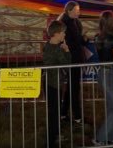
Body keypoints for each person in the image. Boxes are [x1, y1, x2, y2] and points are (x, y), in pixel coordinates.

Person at [93, 10, 113, 145]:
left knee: (112, 107)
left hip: (102, 72)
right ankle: (100, 138)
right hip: (111, 73)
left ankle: (112, 137)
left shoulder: (98, 37)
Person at [43, 20, 71, 148]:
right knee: (55, 112)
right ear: (56, 34)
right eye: (63, 33)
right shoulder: (57, 49)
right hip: (54, 84)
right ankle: (51, 139)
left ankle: (55, 135)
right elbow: (67, 63)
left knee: (53, 110)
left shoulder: (48, 46)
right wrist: (66, 50)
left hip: (49, 82)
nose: (64, 35)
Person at [57, 1, 87, 124]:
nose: (78, 12)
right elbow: (68, 42)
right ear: (69, 10)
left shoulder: (76, 22)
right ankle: (77, 115)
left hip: (76, 57)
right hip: (71, 58)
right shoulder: (64, 24)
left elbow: (78, 40)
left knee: (72, 86)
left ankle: (64, 113)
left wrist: (84, 38)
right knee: (74, 87)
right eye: (76, 9)